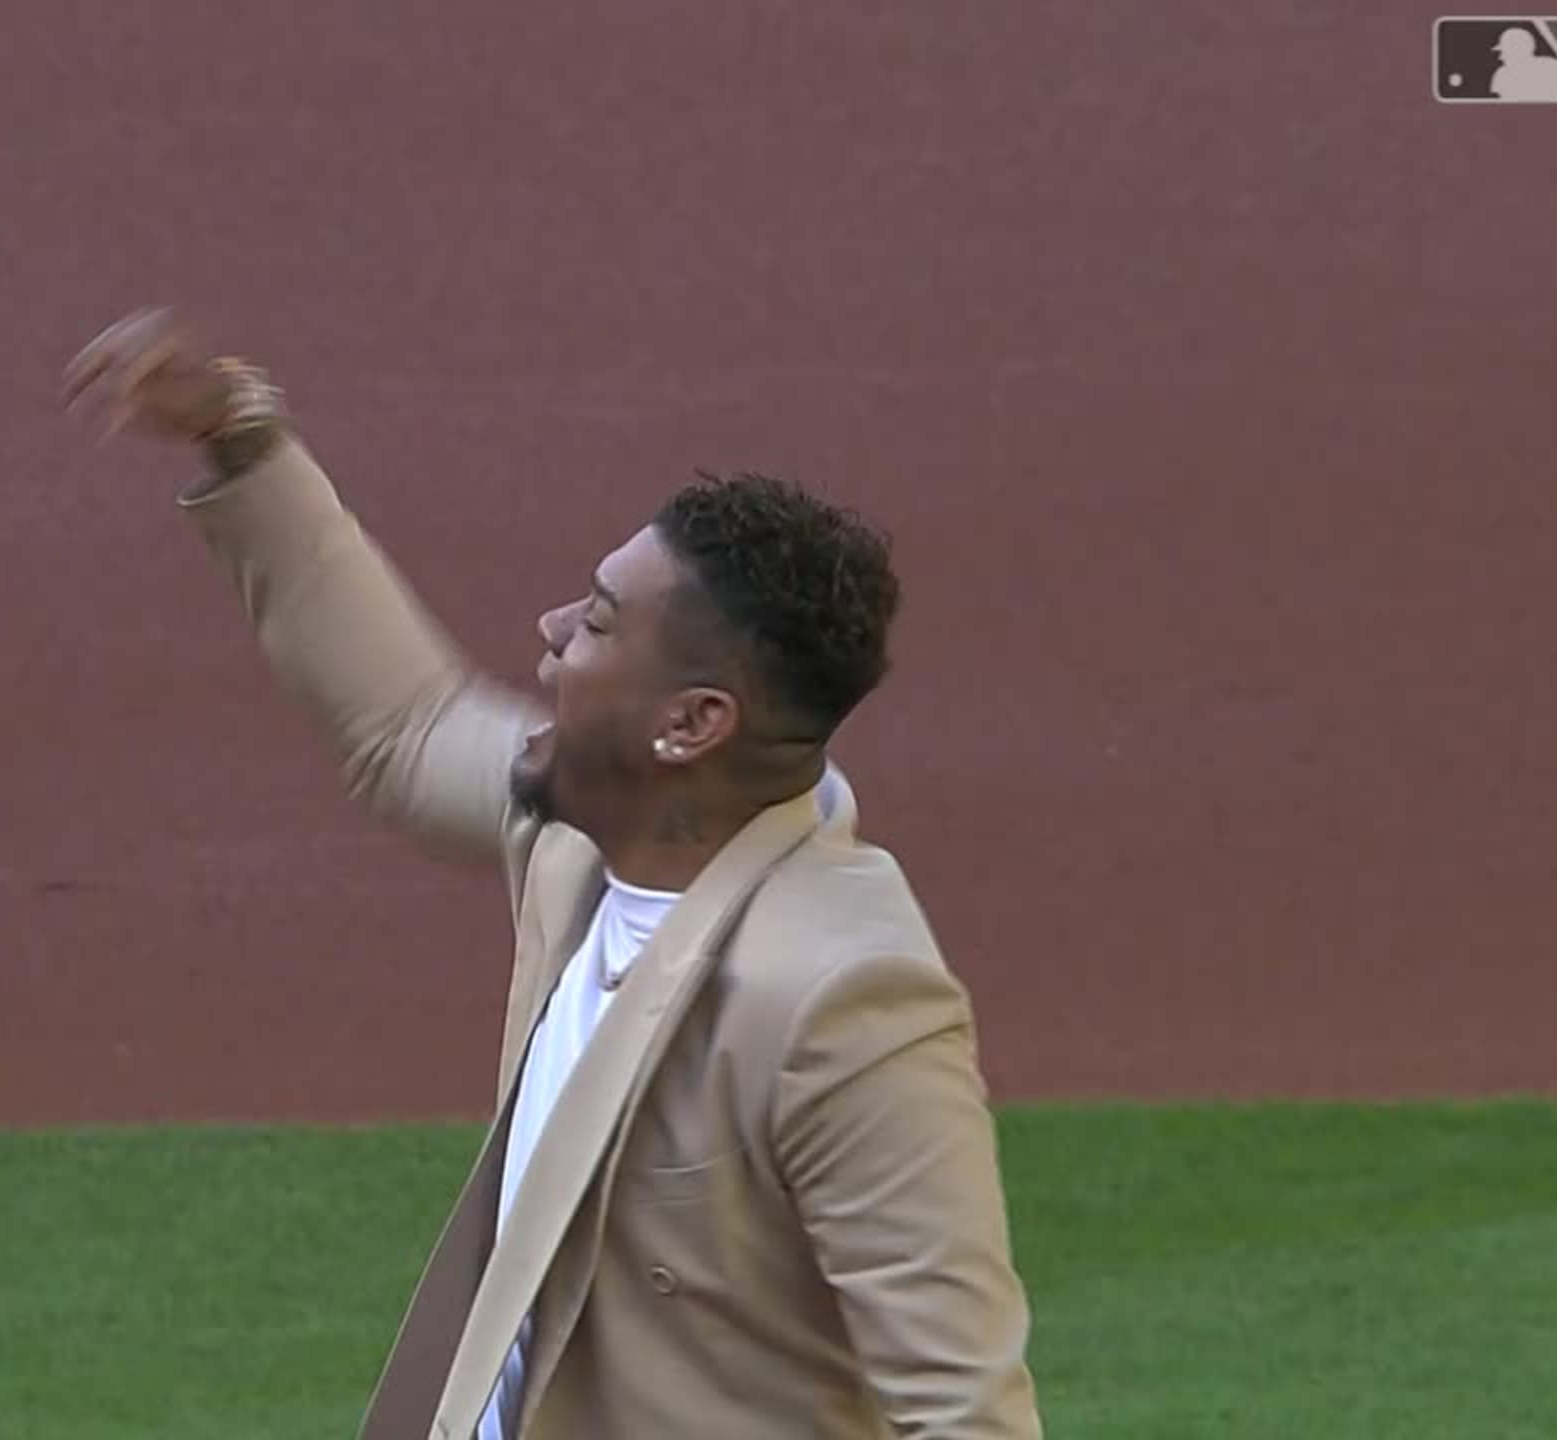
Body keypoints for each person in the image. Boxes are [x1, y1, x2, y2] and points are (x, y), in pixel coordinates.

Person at [63, 307, 1042, 1439]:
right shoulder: (585, 843)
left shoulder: (846, 1000)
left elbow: (964, 1410)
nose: (548, 629)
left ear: (690, 723)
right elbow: (409, 727)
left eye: (598, 623)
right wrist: (242, 437)